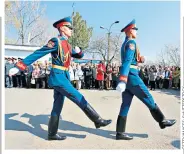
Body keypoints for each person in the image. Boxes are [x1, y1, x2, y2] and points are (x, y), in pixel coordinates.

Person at [9, 16, 111, 141]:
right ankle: (97, 120)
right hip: (58, 77)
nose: (72, 30)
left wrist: (80, 52)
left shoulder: (66, 43)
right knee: (78, 97)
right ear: (62, 28)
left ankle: (52, 134)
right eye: (69, 28)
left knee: (57, 106)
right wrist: (20, 66)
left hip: (63, 77)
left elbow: (76, 54)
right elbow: (39, 53)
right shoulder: (56, 41)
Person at [115, 19, 176, 140]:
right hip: (131, 76)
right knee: (148, 97)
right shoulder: (131, 43)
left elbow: (130, 59)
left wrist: (140, 59)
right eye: (135, 29)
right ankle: (162, 120)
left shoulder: (126, 43)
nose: (136, 31)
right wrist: (123, 79)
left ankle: (120, 133)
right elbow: (127, 61)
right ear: (130, 31)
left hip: (128, 76)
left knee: (125, 105)